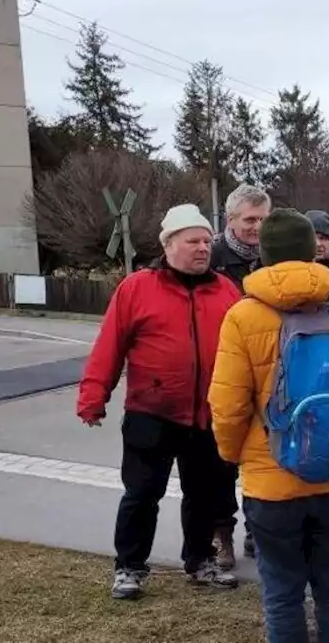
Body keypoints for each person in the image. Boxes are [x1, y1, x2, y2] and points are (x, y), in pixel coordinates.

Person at [208, 208, 329, 643]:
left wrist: (238, 457)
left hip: (272, 486)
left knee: (283, 593)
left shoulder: (243, 316)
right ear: (314, 250)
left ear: (263, 255)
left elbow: (228, 407)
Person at [77, 203, 242, 600]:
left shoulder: (226, 291)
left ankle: (200, 560)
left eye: (207, 241)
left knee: (203, 496)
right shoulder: (137, 288)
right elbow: (109, 346)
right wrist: (93, 396)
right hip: (152, 412)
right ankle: (130, 567)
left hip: (206, 414)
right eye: (193, 241)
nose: (203, 248)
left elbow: (245, 351)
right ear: (168, 244)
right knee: (141, 494)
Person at [209, 183, 272, 566]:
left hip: (264, 373)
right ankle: (222, 536)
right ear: (231, 220)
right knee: (221, 462)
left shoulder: (271, 256)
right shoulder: (211, 256)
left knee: (258, 458)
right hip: (223, 368)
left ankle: (256, 530)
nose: (257, 227)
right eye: (250, 220)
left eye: (263, 220)